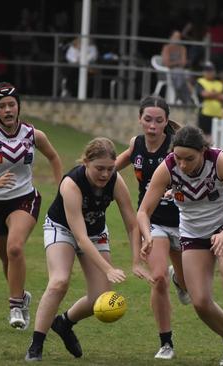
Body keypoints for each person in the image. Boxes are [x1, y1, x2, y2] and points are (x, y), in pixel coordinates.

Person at [137, 125, 223, 366]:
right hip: (192, 233)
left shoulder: (219, 161)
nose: (182, 164)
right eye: (178, 158)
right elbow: (143, 211)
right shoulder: (168, 168)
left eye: (189, 159)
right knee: (200, 301)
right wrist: (147, 236)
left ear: (203, 151)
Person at [25, 137, 139, 361]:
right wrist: (107, 268)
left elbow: (132, 224)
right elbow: (79, 236)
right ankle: (35, 346)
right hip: (63, 228)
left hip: (95, 232)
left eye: (109, 168)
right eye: (99, 168)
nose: (105, 175)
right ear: (86, 162)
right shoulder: (71, 183)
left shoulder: (115, 181)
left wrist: (136, 261)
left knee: (100, 299)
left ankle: (64, 323)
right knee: (59, 282)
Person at [0, 82, 63, 330]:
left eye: (11, 104)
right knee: (8, 260)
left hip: (24, 198)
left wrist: (62, 188)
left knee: (15, 249)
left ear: (18, 106)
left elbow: (53, 157)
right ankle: (22, 296)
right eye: (1, 106)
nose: (7, 110)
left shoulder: (33, 134)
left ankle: (15, 306)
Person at [115, 96, 190, 360]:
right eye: (147, 119)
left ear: (166, 121)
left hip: (185, 224)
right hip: (152, 222)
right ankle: (166, 343)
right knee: (158, 278)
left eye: (159, 120)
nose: (152, 126)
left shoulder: (176, 148)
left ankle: (180, 280)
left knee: (189, 286)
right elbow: (115, 164)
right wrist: (90, 177)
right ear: (140, 119)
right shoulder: (136, 144)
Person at [195, 62, 223, 141]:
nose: (209, 73)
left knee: (216, 137)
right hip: (205, 113)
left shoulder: (219, 84)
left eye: (210, 70)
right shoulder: (200, 81)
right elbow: (204, 94)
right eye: (206, 70)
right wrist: (217, 94)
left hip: (218, 114)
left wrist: (211, 94)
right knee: (204, 136)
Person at [161, 30, 192, 104]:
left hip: (181, 70)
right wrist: (178, 63)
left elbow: (184, 63)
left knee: (189, 74)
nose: (177, 39)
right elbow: (166, 63)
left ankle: (181, 97)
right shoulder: (167, 48)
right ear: (171, 37)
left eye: (179, 37)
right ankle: (185, 99)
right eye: (175, 37)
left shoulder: (182, 48)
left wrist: (175, 63)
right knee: (179, 74)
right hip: (170, 71)